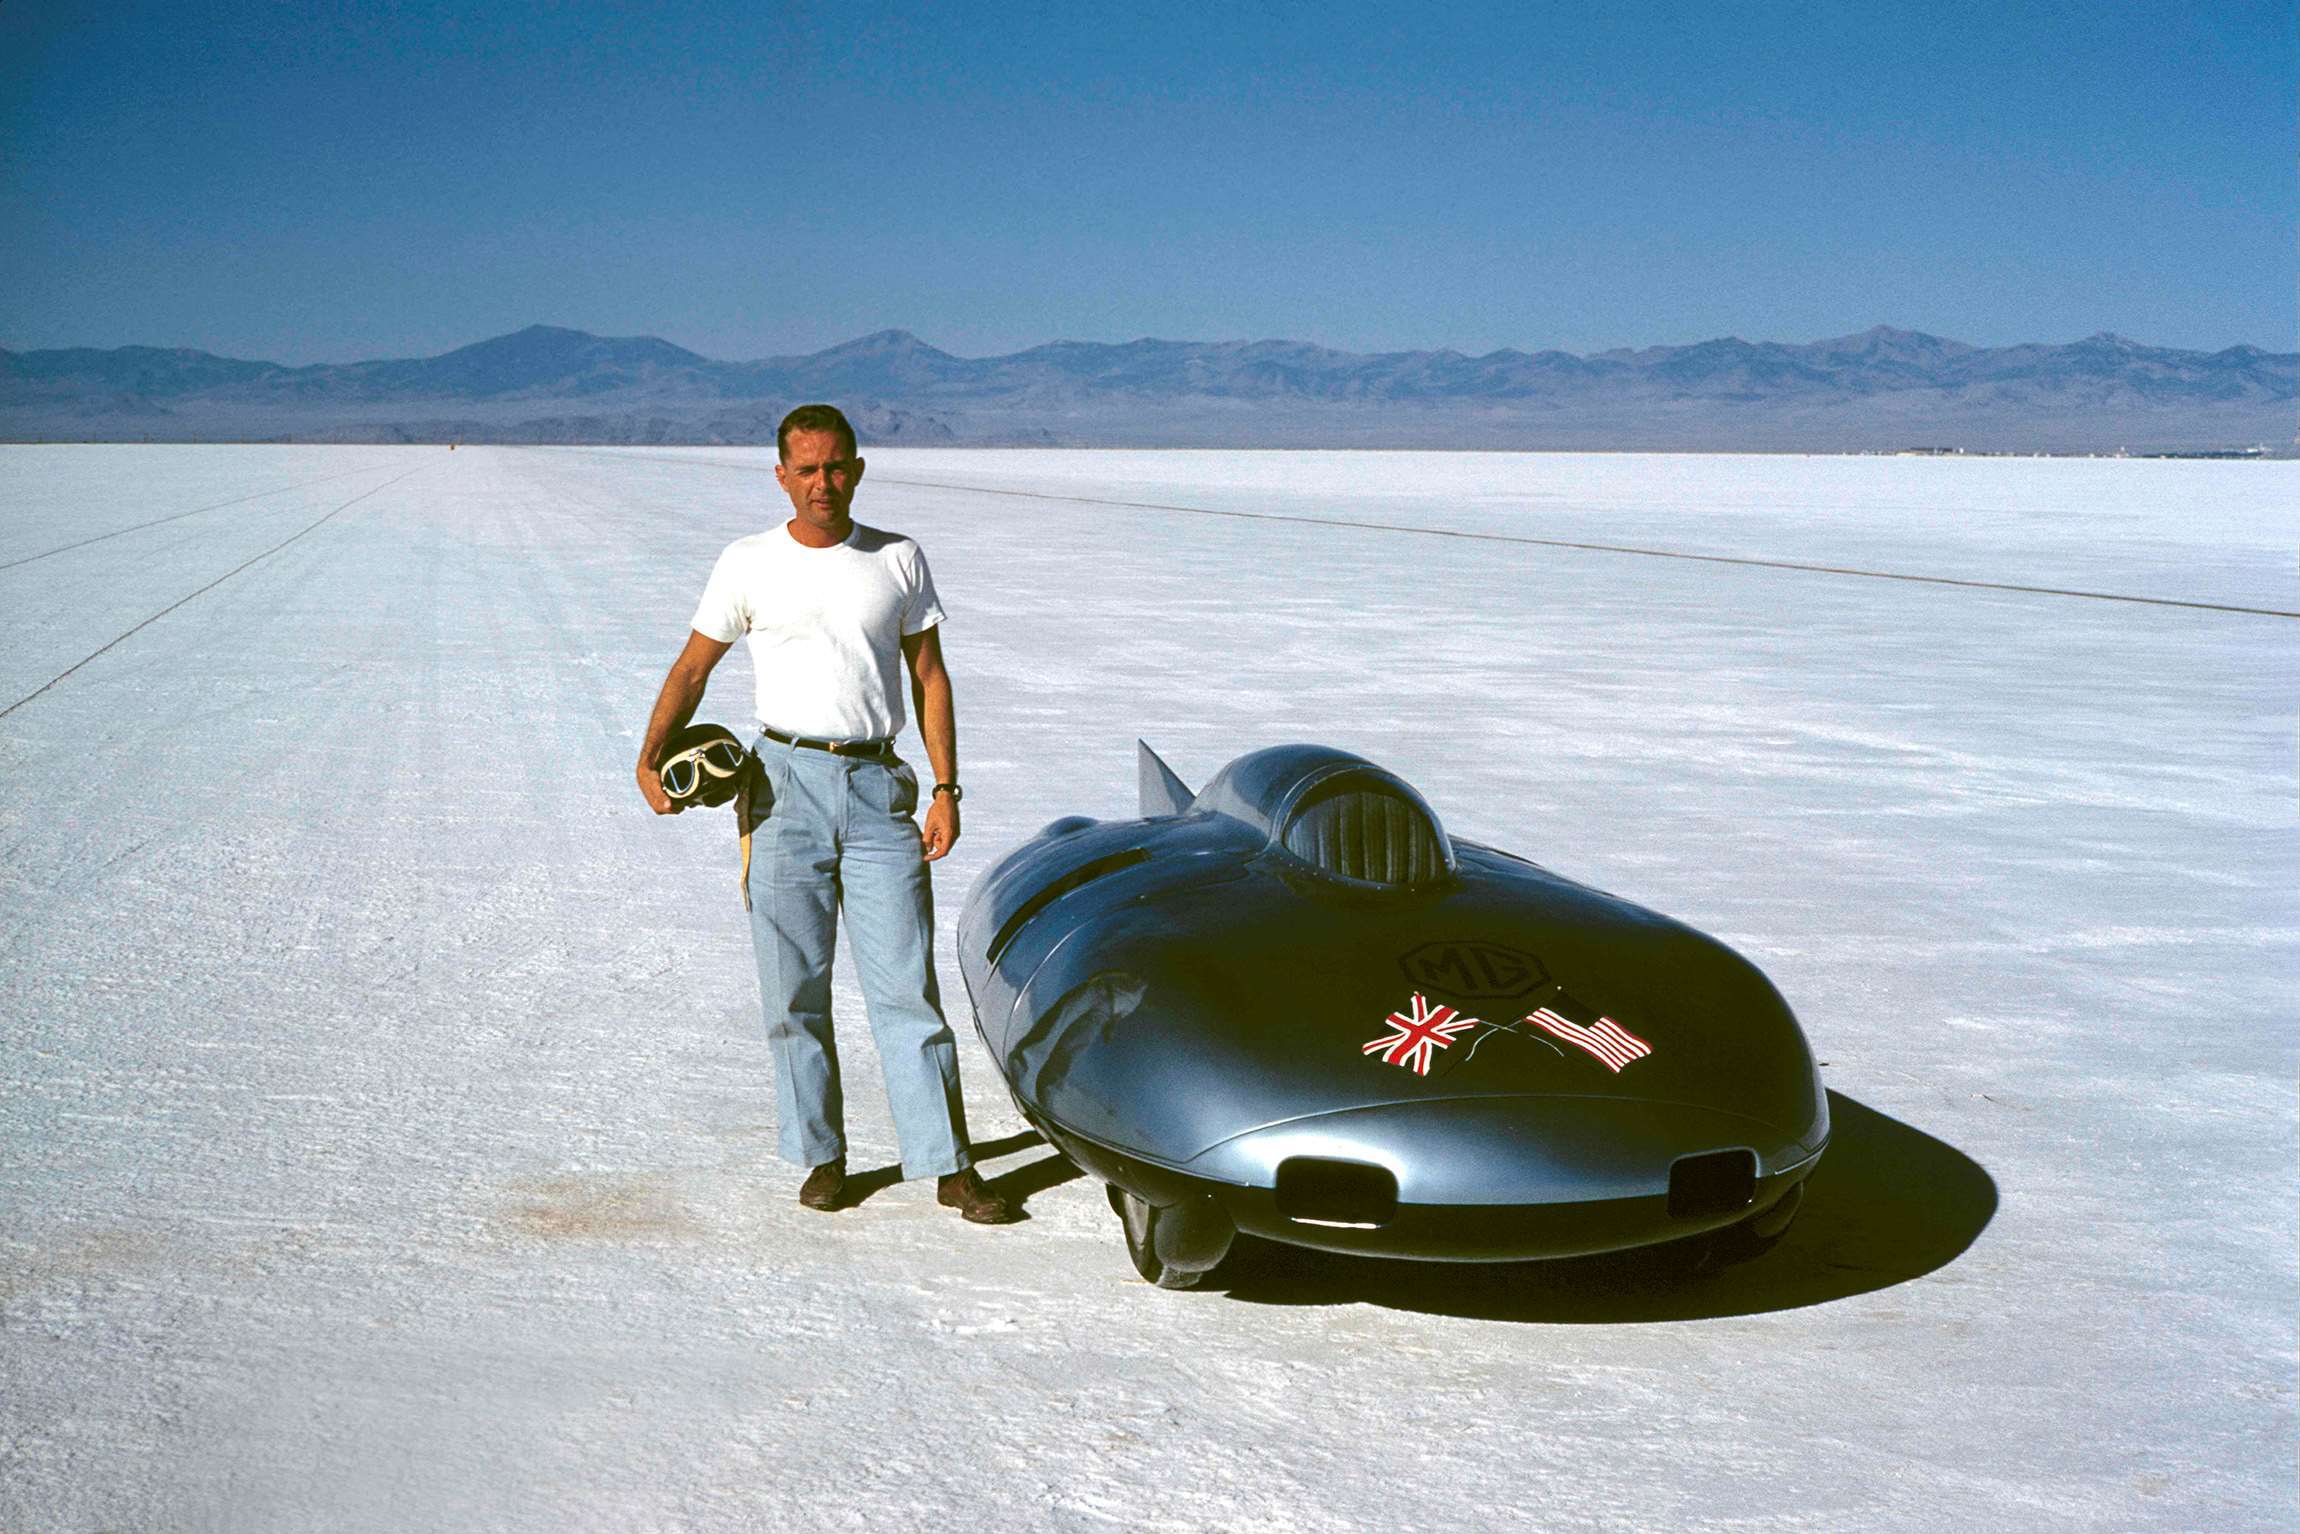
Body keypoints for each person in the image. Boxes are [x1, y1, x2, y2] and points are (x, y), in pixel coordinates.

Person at [635, 403, 1014, 1224]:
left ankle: (947, 1165)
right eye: (806, 469)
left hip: (879, 791)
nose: (823, 483)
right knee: (793, 991)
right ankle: (823, 1157)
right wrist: (649, 755)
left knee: (905, 990)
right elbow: (695, 667)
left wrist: (947, 789)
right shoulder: (747, 563)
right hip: (780, 790)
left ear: (859, 468)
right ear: (781, 475)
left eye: (837, 466)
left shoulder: (898, 560)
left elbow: (931, 678)